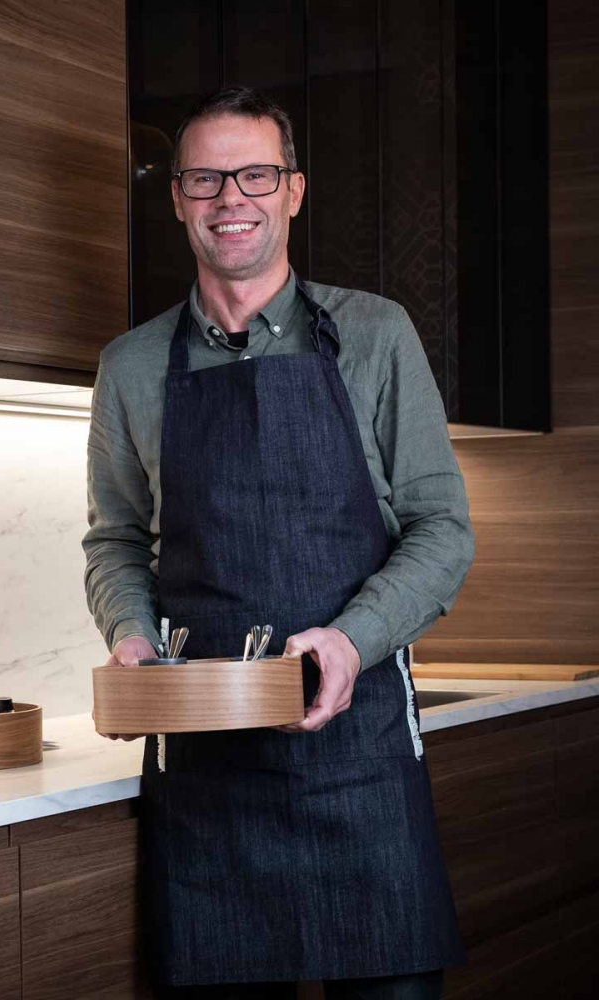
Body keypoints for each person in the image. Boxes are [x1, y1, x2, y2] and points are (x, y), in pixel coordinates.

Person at [82, 87, 475, 999]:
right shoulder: (130, 366)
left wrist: (350, 642)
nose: (232, 199)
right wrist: (130, 638)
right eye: (206, 179)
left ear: (293, 189)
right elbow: (116, 542)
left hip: (360, 763)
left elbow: (442, 530)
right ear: (177, 198)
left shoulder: (375, 335)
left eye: (255, 175)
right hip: (207, 780)